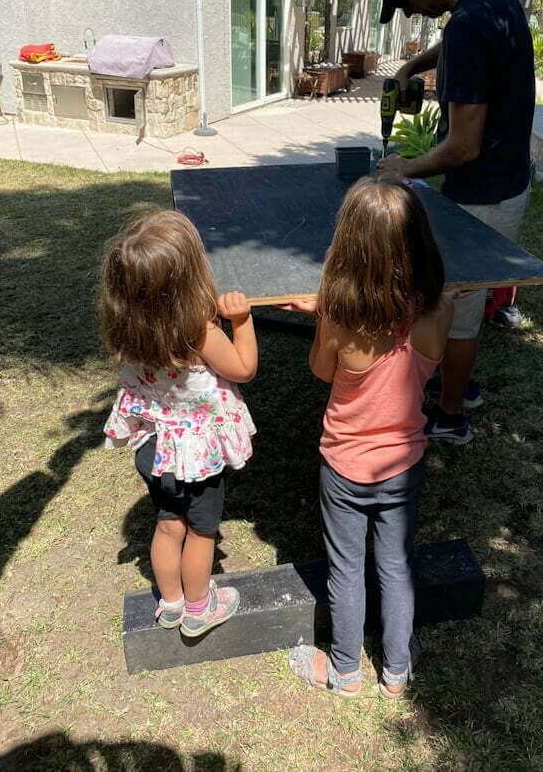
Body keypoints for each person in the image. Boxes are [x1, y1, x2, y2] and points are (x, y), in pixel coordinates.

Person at [286, 176, 454, 698]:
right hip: (404, 464)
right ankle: (397, 671)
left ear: (348, 248)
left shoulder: (338, 321)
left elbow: (321, 370)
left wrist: (323, 319)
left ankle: (345, 671)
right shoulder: (438, 311)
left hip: (344, 467)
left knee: (346, 570)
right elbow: (425, 345)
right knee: (397, 564)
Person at [374, 0, 535, 444]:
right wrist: (413, 65)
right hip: (508, 181)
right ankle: (458, 389)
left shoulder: (468, 27)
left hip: (481, 190)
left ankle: (450, 415)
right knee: (463, 295)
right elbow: (458, 40)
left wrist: (403, 168)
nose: (410, 13)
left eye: (406, 1)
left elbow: (462, 147)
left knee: (458, 306)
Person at [100, 210, 258, 637]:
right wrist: (241, 323)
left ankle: (169, 603)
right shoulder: (199, 333)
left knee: (169, 524)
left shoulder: (129, 329)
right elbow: (244, 368)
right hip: (196, 457)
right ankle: (198, 607)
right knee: (202, 532)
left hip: (153, 450)